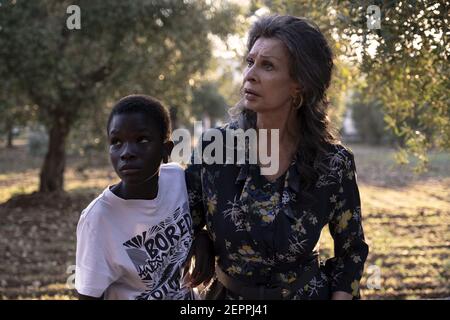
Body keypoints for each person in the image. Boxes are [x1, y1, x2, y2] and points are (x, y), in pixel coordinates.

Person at [185, 15, 369, 300]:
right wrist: (201, 240)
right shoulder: (215, 149)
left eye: (267, 66)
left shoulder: (333, 163)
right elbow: (184, 223)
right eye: (250, 62)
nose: (250, 75)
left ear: (299, 84)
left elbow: (351, 251)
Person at [75, 94, 198, 300]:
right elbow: (88, 295)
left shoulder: (177, 179)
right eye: (116, 142)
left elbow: (198, 222)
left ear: (166, 150)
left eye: (141, 140)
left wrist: (202, 239)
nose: (127, 153)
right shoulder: (98, 219)